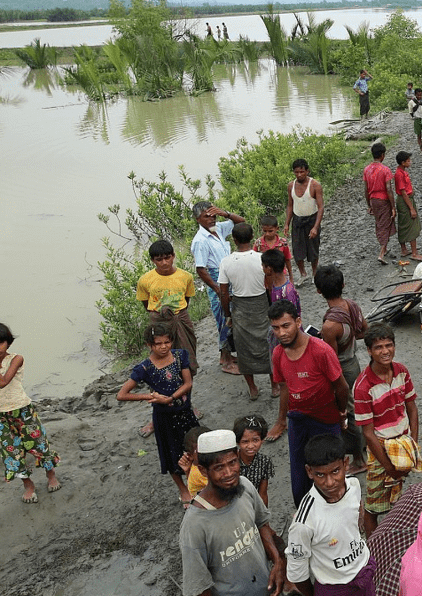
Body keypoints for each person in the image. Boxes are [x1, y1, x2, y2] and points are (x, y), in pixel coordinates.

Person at [179, 429, 286, 596]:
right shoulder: (194, 525)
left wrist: (278, 562)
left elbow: (262, 524)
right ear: (203, 470)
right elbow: (199, 587)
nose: (229, 473)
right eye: (219, 467)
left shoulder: (245, 485)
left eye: (232, 463)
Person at [266, 300, 350, 506]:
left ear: (298, 322)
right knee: (299, 469)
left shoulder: (321, 350)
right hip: (298, 418)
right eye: (275, 328)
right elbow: (284, 387)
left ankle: (339, 508)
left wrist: (341, 413)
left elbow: (342, 387)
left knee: (331, 469)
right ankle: (305, 511)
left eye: (286, 326)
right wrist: (281, 420)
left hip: (325, 417)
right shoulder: (278, 353)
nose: (281, 333)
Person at [117, 323, 198, 507]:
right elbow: (121, 395)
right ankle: (183, 490)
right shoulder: (144, 368)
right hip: (164, 419)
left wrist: (170, 397)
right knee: (172, 454)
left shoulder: (179, 356)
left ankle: (197, 482)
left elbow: (188, 383)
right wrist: (150, 396)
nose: (164, 347)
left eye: (167, 342)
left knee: (194, 449)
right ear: (149, 345)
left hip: (185, 412)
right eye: (158, 343)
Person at [353, 324, 422, 537]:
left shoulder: (401, 371)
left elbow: (411, 407)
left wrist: (413, 446)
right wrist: (388, 466)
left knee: (397, 497)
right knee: (374, 505)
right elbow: (368, 434)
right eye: (379, 347)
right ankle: (372, 549)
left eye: (389, 345)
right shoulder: (363, 387)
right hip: (380, 449)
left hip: (402, 444)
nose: (385, 351)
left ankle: (393, 540)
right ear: (369, 351)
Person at [286, 434, 375, 596]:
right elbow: (297, 572)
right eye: (320, 474)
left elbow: (356, 518)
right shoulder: (303, 522)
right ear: (309, 472)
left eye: (335, 471)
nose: (329, 482)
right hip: (334, 588)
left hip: (364, 570)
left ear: (346, 464)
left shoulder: (354, 484)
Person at [0, 322, 62, 504]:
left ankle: (51, 475)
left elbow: (2, 382)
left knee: (39, 445)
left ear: (8, 342)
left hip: (22, 411)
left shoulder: (16, 359)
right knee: (11, 453)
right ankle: (28, 485)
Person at [315, 265, 369, 475]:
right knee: (358, 406)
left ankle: (359, 459)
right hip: (353, 362)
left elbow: (331, 359)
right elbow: (364, 330)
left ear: (319, 291)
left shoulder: (330, 325)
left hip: (342, 369)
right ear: (343, 285)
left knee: (347, 412)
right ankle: (361, 448)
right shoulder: (351, 305)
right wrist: (350, 337)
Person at [219, 223, 271, 401]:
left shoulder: (226, 262)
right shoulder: (262, 258)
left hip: (240, 307)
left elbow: (224, 293)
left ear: (234, 240)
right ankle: (275, 385)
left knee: (243, 348)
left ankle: (253, 387)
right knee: (268, 344)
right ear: (252, 237)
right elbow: (269, 285)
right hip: (261, 303)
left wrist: (228, 314)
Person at [191, 202, 245, 373]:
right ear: (198, 219)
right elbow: (201, 269)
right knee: (223, 319)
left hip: (227, 276)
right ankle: (227, 362)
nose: (211, 219)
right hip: (216, 280)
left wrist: (225, 213)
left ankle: (225, 355)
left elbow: (241, 223)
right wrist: (217, 289)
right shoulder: (200, 241)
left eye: (213, 215)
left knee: (230, 316)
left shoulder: (218, 229)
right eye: (207, 216)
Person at [137, 239, 200, 378]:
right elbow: (145, 303)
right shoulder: (145, 280)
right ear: (153, 260)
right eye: (159, 260)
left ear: (173, 255)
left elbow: (186, 299)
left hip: (181, 317)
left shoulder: (185, 276)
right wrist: (160, 314)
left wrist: (176, 314)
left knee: (187, 349)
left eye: (167, 258)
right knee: (161, 349)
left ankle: (186, 377)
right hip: (159, 320)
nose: (164, 263)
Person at [263, 249, 301, 398]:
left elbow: (290, 318)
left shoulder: (287, 291)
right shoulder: (275, 286)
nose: (262, 269)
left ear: (269, 269)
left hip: (288, 335)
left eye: (263, 266)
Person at [285, 159, 324, 285]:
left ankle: (314, 273)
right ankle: (303, 274)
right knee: (297, 250)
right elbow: (290, 205)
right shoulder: (291, 186)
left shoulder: (315, 185)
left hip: (311, 220)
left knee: (313, 248)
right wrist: (286, 223)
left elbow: (321, 207)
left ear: (307, 171)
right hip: (297, 221)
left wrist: (316, 227)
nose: (299, 175)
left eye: (302, 172)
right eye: (296, 172)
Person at [363, 143, 397, 265]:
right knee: (385, 224)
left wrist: (369, 205)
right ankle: (382, 253)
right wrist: (393, 206)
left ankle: (385, 248)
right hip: (383, 200)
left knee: (379, 223)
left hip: (373, 199)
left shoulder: (367, 169)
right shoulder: (385, 170)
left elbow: (366, 189)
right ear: (382, 155)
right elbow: (389, 189)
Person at [233, 414, 275, 508]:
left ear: (262, 440)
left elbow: (263, 493)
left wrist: (264, 518)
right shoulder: (232, 463)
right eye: (245, 441)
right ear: (238, 442)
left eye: (255, 440)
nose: (251, 446)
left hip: (253, 504)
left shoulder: (265, 462)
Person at [394, 151, 422, 261]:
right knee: (411, 225)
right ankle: (414, 253)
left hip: (405, 199)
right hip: (405, 200)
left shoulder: (402, 172)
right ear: (403, 162)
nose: (410, 162)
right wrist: (411, 208)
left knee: (403, 224)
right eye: (408, 161)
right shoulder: (399, 174)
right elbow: (403, 192)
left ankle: (404, 249)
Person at [255, 215, 294, 282]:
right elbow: (254, 260)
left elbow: (287, 259)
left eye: (270, 231)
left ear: (277, 228)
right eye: (264, 231)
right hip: (264, 277)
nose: (267, 234)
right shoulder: (258, 243)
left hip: (281, 275)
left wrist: (291, 277)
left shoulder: (282, 243)